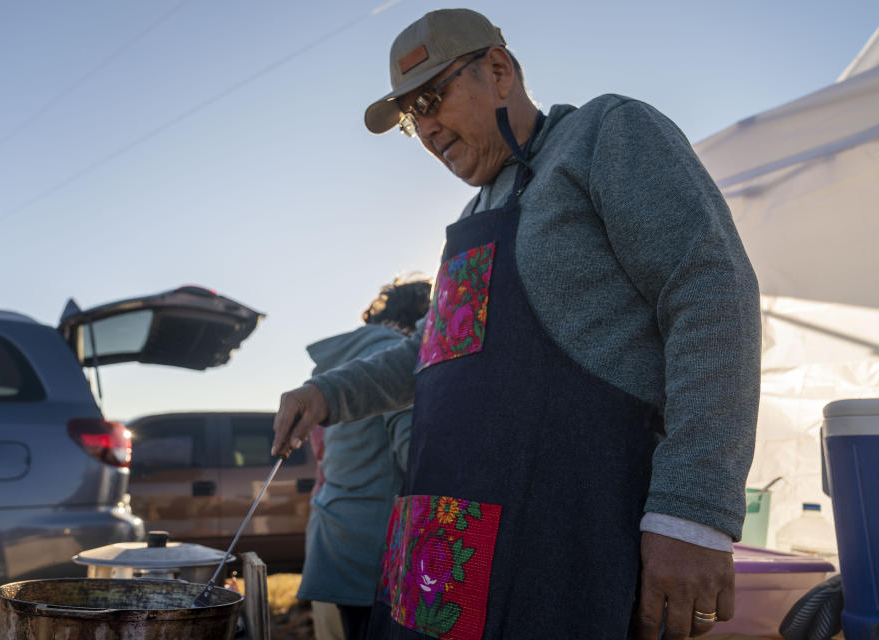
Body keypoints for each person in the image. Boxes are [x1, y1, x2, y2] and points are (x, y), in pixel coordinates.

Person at [274, 8, 760, 640]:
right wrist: (327, 394)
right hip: (449, 539)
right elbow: (435, 349)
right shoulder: (479, 209)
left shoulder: (605, 135)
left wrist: (692, 513)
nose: (424, 129)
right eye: (409, 118)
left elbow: (710, 291)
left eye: (431, 98)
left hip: (572, 535)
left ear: (498, 71)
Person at [297, 277, 432, 640]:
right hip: (374, 552)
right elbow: (414, 455)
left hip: (330, 535)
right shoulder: (395, 359)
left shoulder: (337, 363)